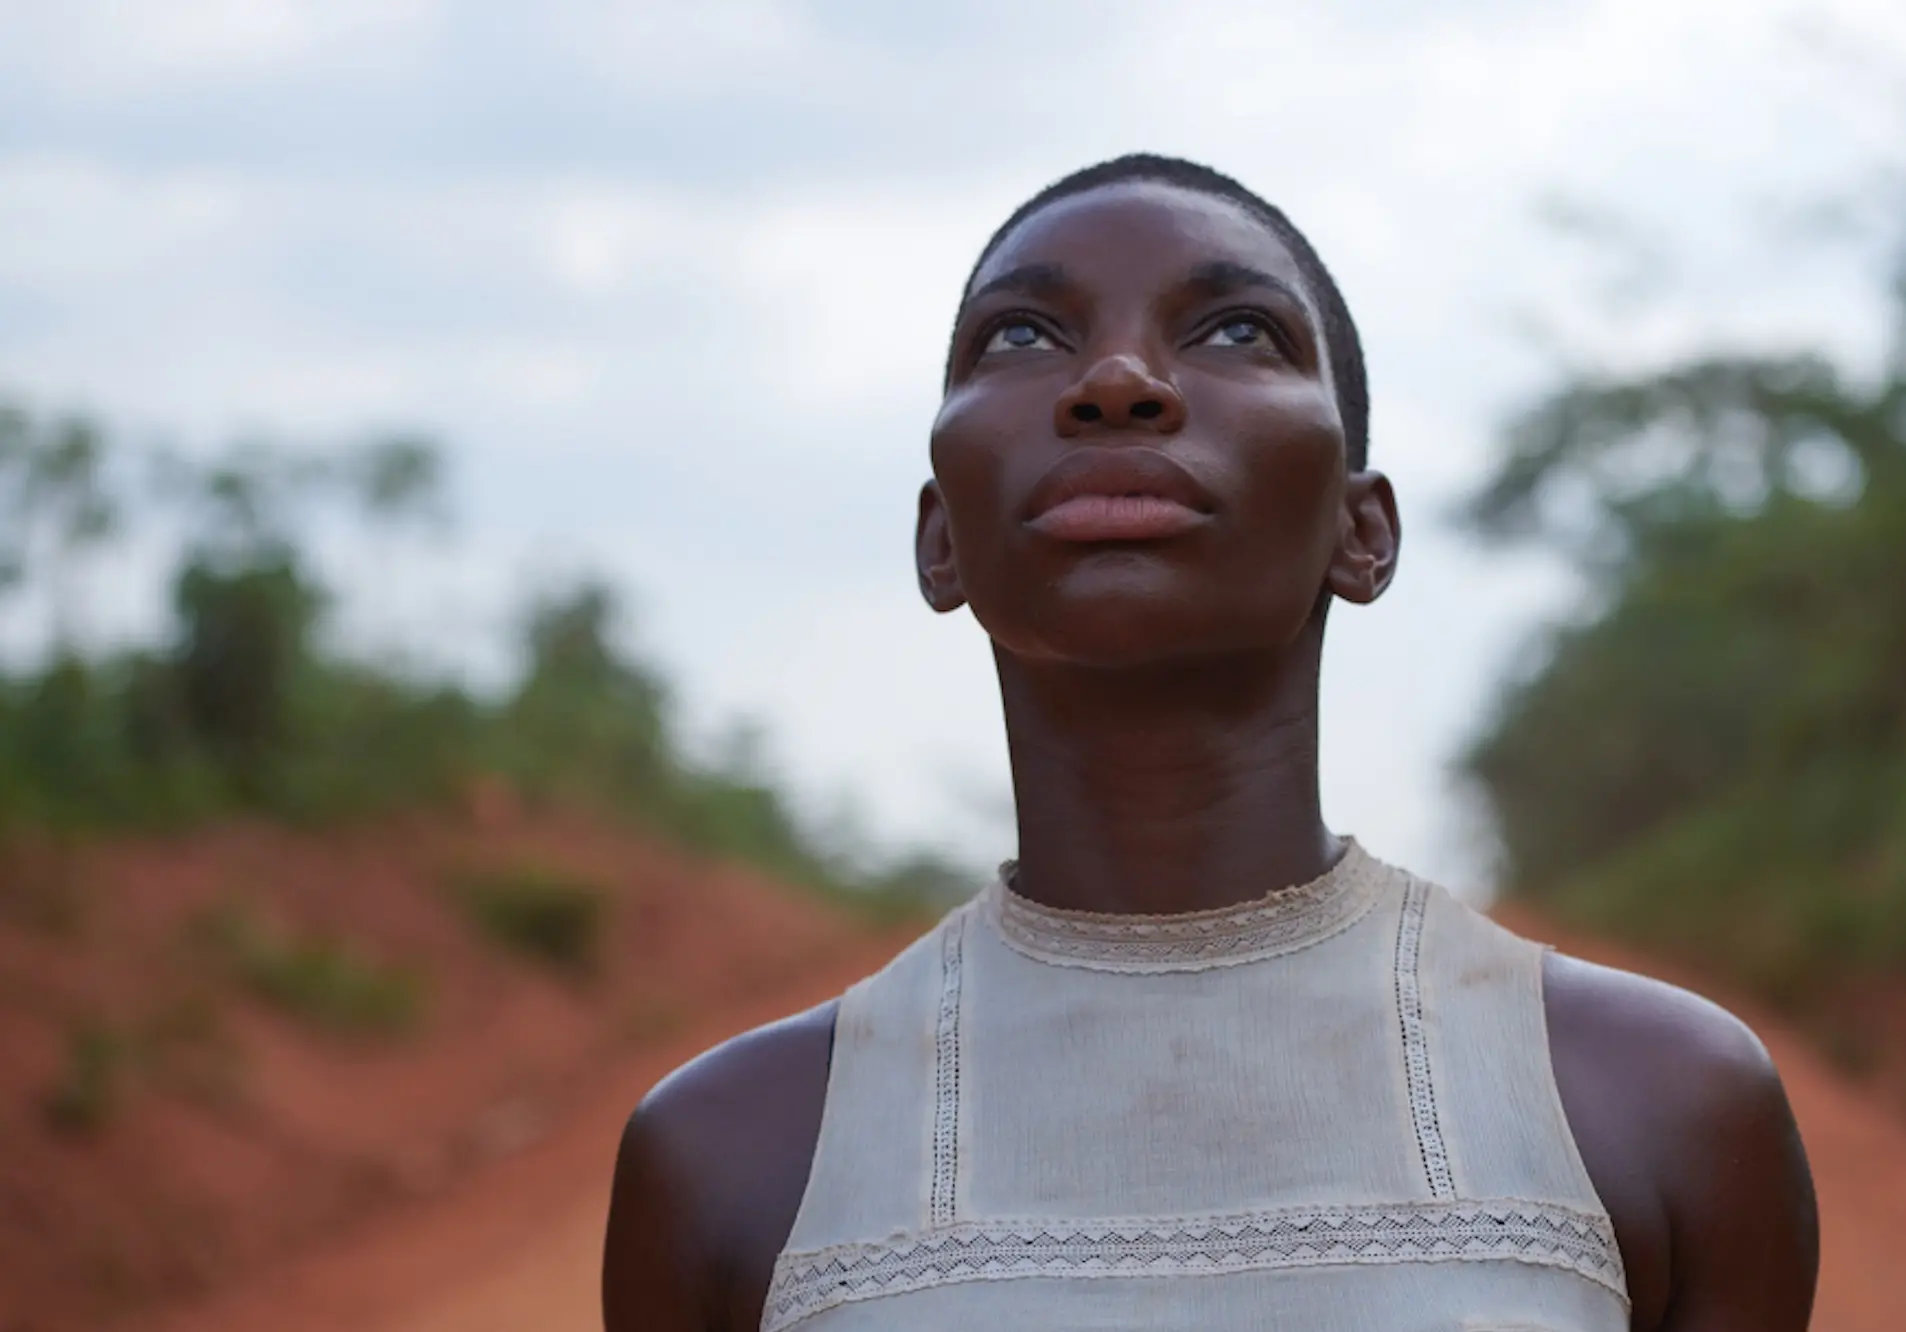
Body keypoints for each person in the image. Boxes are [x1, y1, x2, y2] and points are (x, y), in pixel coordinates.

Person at [601, 154, 1819, 1332]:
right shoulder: (725, 1163)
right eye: (1024, 335)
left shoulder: (1661, 1115)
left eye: (1236, 331)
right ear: (941, 541)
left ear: (1362, 531)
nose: (1118, 383)